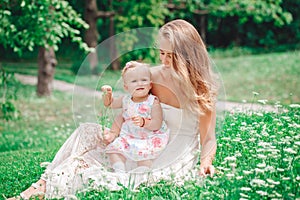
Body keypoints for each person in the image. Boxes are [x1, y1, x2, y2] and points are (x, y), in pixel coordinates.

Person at [9, 19, 218, 199]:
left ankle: (46, 187)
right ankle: (42, 184)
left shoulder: (201, 90)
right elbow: (129, 100)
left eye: (170, 56)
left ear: (187, 56)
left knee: (101, 172)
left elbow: (208, 138)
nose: (163, 60)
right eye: (161, 53)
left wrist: (206, 162)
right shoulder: (153, 76)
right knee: (86, 132)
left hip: (171, 154)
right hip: (141, 140)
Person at [101, 61, 170, 173]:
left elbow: (157, 123)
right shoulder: (125, 100)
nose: (140, 84)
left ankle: (140, 174)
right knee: (115, 152)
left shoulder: (153, 101)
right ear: (126, 87)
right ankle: (120, 171)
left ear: (150, 85)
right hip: (129, 137)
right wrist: (107, 95)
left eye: (144, 80)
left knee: (145, 159)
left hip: (147, 138)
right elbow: (110, 104)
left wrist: (144, 122)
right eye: (134, 81)